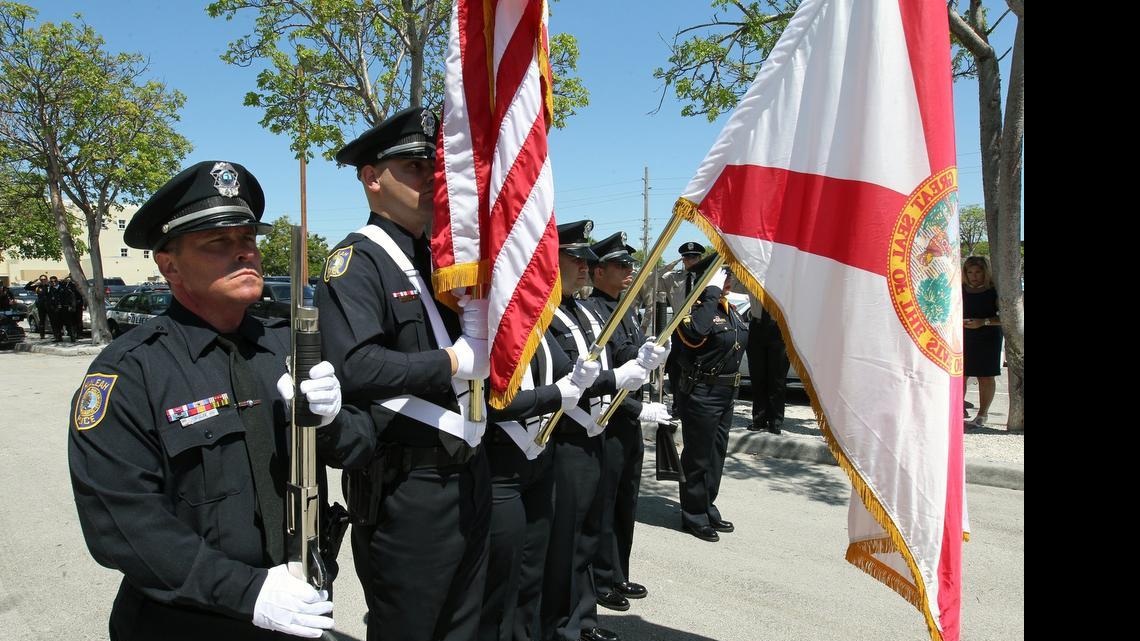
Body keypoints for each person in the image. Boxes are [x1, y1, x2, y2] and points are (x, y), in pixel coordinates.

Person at [68, 160, 377, 640]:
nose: (244, 255)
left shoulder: (289, 345)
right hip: (189, 619)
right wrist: (246, 592)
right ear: (168, 265)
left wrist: (333, 418)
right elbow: (119, 521)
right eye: (218, 244)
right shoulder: (130, 371)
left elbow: (357, 448)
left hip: (300, 605)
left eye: (248, 241)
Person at [316, 107, 492, 641]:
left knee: (463, 625)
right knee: (410, 628)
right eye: (414, 167)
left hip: (468, 468)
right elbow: (357, 365)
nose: (429, 179)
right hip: (406, 484)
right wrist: (453, 361)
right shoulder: (356, 261)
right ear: (372, 178)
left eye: (432, 167)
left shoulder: (445, 260)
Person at [540, 220, 660, 641]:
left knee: (589, 533)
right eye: (575, 259)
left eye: (587, 261)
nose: (584, 268)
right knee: (566, 540)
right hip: (564, 438)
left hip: (595, 433)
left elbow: (610, 358)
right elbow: (557, 376)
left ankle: (583, 618)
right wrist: (617, 382)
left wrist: (641, 359)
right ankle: (563, 625)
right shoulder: (540, 310)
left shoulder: (586, 308)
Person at [481, 330, 600, 641]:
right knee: (498, 585)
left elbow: (564, 371)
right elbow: (486, 401)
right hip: (498, 466)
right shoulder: (490, 319)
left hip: (539, 462)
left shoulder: (538, 325)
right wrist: (554, 396)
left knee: (531, 575)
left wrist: (591, 375)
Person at [586, 232, 670, 614]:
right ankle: (600, 578)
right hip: (608, 419)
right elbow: (602, 375)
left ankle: (618, 570)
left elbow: (631, 356)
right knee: (603, 504)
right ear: (598, 271)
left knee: (625, 500)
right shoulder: (594, 313)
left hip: (628, 421)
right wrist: (636, 410)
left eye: (629, 265)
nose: (628, 272)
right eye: (620, 266)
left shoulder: (626, 310)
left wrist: (648, 354)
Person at [673, 255, 748, 543]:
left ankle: (706, 504)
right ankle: (692, 514)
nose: (728, 281)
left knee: (716, 455)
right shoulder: (693, 310)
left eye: (727, 276)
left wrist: (717, 297)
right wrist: (710, 293)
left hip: (726, 393)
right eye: (722, 276)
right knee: (698, 456)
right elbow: (696, 334)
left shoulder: (729, 310)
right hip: (701, 393)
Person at [962, 256, 1002, 429]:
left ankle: (982, 414)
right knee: (960, 375)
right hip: (963, 336)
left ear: (985, 272)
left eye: (978, 272)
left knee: (985, 376)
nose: (974, 276)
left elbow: (1005, 317)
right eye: (970, 272)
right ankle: (956, 410)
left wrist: (983, 322)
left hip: (988, 336)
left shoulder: (995, 291)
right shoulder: (959, 289)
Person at [745, 291, 789, 434]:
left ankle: (776, 421)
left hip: (780, 327)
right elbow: (732, 284)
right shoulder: (753, 274)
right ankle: (759, 419)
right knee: (757, 377)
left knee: (777, 379)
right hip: (757, 326)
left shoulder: (785, 278)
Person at [26, 274, 51, 338]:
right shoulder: (37, 287)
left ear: (46, 279)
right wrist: (33, 281)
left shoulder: (49, 286)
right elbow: (26, 287)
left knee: (52, 320)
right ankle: (42, 335)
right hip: (41, 306)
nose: (43, 281)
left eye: (44, 279)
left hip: (49, 306)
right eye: (41, 279)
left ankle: (56, 335)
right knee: (42, 321)